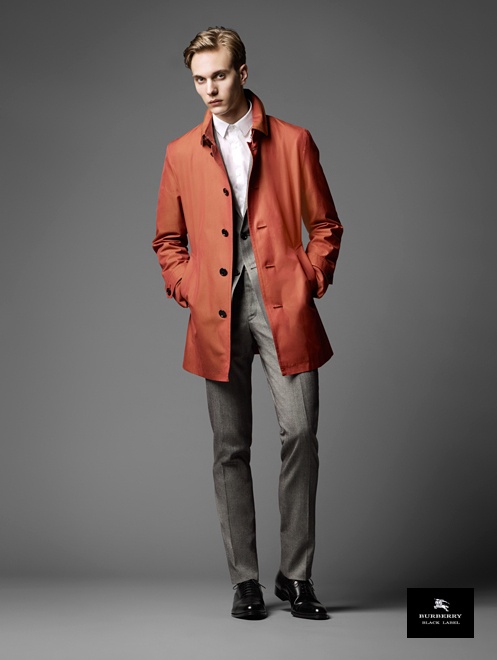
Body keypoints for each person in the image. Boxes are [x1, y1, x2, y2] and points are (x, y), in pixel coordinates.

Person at [153, 27, 343, 620]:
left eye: (218, 75)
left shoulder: (293, 140)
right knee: (229, 447)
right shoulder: (181, 152)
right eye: (199, 79)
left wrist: (309, 277)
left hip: (283, 301)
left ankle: (297, 575)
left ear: (242, 72)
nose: (209, 88)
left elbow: (325, 225)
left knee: (301, 433)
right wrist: (188, 286)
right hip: (216, 307)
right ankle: (245, 581)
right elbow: (168, 240)